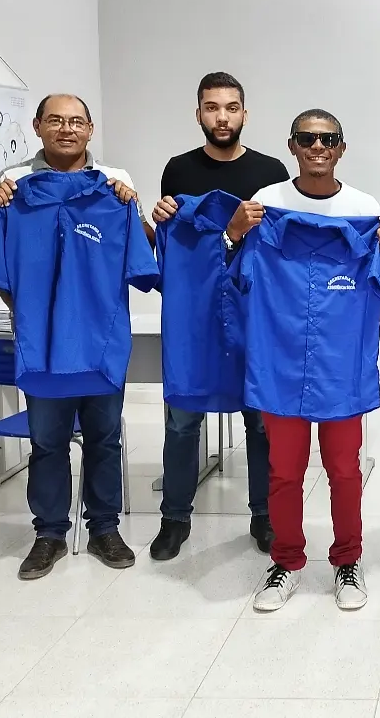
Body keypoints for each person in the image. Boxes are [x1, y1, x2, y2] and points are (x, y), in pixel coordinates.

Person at [248, 109, 380, 612]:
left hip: (340, 365)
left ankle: (348, 561)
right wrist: (233, 232)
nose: (318, 146)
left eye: (328, 139)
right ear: (292, 145)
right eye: (308, 138)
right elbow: (237, 274)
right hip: (282, 362)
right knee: (284, 472)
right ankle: (286, 561)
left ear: (341, 148)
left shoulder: (363, 208)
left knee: (344, 471)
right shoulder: (268, 203)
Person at [0, 94, 145, 580]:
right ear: (37, 126)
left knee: (104, 438)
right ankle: (49, 534)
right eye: (55, 120)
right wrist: (35, 316)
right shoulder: (14, 189)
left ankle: (104, 529)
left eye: (76, 121)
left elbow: (141, 259)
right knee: (47, 441)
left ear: (90, 129)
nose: (66, 128)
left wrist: (130, 207)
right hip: (42, 349)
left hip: (101, 345)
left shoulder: (115, 187)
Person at [147, 72, 291, 561]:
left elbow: (276, 247)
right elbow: (176, 247)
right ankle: (174, 518)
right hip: (196, 316)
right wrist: (164, 221)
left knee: (261, 422)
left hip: (254, 314)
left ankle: (264, 515)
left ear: (244, 113)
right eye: (212, 108)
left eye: (231, 108)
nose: (222, 117)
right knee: (182, 420)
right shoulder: (179, 171)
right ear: (199, 114)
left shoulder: (271, 172)